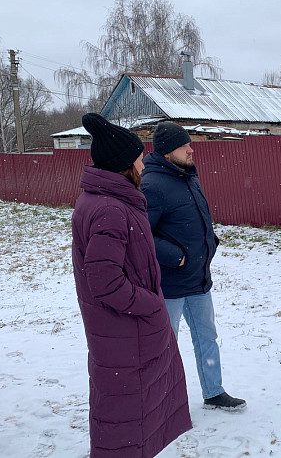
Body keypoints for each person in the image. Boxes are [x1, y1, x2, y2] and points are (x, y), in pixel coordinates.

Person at [71, 113, 192, 457]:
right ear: (124, 164)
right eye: (139, 156)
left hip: (120, 333)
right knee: (127, 422)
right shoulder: (110, 208)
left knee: (126, 419)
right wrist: (150, 304)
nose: (144, 160)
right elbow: (105, 281)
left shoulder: (106, 200)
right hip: (126, 332)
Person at [141, 121, 246, 411]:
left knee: (207, 337)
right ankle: (159, 402)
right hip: (170, 285)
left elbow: (196, 216)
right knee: (165, 344)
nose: (191, 148)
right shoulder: (153, 185)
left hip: (198, 279)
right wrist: (175, 256)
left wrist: (209, 240)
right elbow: (141, 234)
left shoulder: (187, 176)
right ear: (166, 152)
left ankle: (214, 392)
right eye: (183, 145)